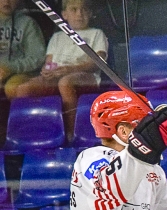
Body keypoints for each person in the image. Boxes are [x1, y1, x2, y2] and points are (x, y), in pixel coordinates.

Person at [8, 0, 107, 141]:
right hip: (58, 76)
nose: (80, 14)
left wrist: (70, 69)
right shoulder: (57, 37)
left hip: (86, 76)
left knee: (65, 83)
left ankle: (71, 133)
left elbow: (98, 62)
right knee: (25, 88)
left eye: (84, 10)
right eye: (74, 9)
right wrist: (48, 71)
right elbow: (49, 63)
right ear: (64, 15)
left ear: (90, 14)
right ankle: (29, 135)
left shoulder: (96, 33)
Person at [0, 0, 46, 97]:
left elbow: (37, 58)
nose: (7, 1)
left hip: (20, 73)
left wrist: (10, 67)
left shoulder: (28, 23)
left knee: (12, 87)